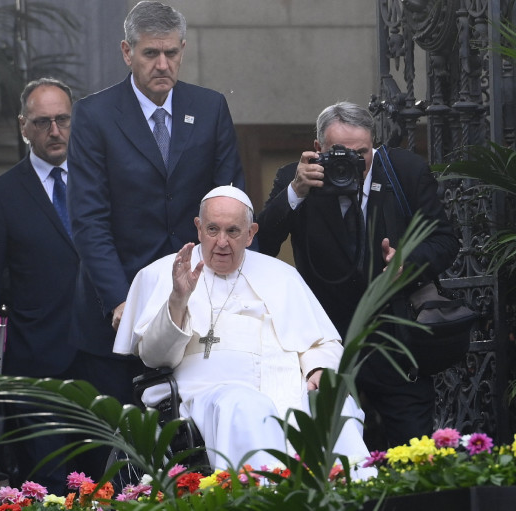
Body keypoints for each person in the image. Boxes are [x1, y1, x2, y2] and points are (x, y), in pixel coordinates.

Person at [114, 186, 372, 472]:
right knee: (245, 406)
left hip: (287, 387)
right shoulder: (163, 273)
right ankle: (265, 498)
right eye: (213, 229)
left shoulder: (282, 275)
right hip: (208, 393)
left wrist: (318, 369)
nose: (222, 242)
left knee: (334, 405)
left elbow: (322, 342)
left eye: (233, 231)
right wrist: (178, 300)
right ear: (198, 228)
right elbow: (154, 357)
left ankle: (354, 493)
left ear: (251, 234)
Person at [67, 0, 245, 407]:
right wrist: (119, 302)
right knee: (121, 454)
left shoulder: (210, 107)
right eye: (151, 53)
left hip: (200, 311)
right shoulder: (94, 116)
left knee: (193, 454)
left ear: (182, 49)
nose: (163, 64)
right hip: (116, 310)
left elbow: (230, 201)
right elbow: (89, 220)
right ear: (128, 53)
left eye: (172, 53)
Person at [254, 101, 459, 449]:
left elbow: (445, 239)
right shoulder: (298, 177)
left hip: (396, 343)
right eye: (339, 153)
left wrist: (407, 263)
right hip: (330, 348)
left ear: (373, 146)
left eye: (362, 153)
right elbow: (260, 246)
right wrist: (295, 192)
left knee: (412, 456)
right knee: (337, 457)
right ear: (318, 149)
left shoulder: (404, 171)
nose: (352, 162)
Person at [0, 77, 79, 492]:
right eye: (43, 121)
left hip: (100, 357)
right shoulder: (3, 193)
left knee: (102, 479)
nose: (55, 131)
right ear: (23, 126)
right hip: (35, 360)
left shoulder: (101, 181)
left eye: (63, 120)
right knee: (47, 481)